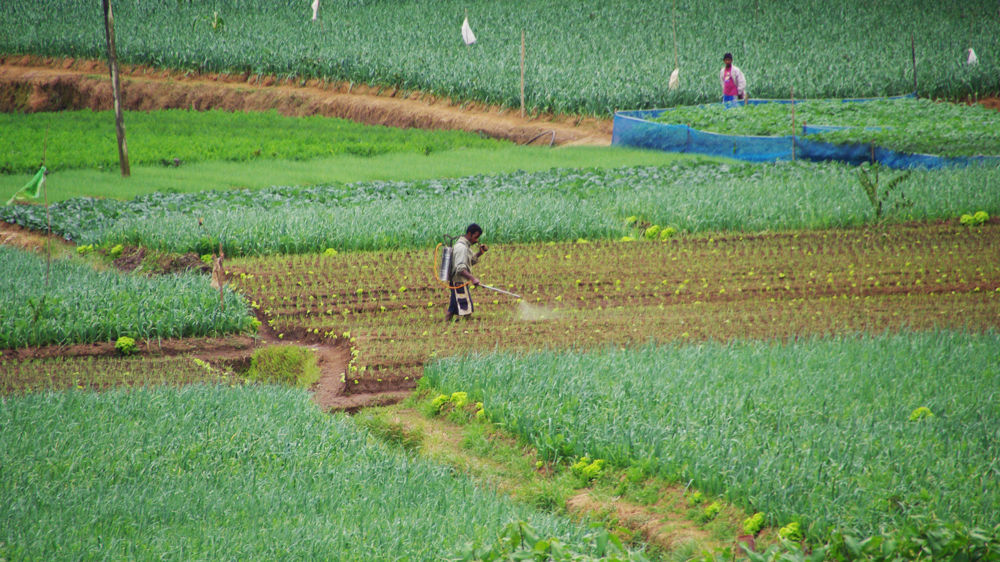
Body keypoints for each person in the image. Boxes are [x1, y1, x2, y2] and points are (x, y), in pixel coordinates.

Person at [445, 223, 488, 321]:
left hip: (458, 282)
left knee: (452, 309)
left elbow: (469, 261)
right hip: (459, 282)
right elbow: (460, 269)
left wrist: (480, 253)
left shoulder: (465, 246)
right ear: (469, 234)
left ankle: (446, 324)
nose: (476, 240)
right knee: (467, 310)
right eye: (476, 237)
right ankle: (463, 328)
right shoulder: (461, 248)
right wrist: (473, 279)